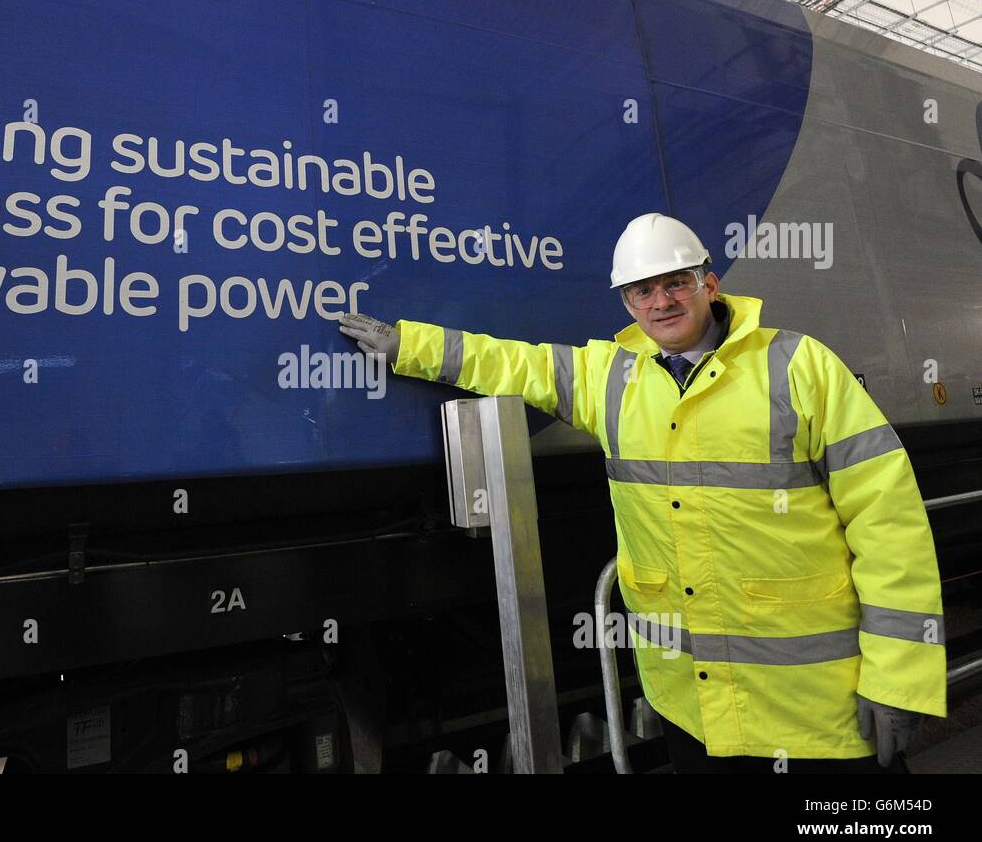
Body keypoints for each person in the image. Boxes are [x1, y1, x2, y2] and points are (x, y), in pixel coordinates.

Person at [336, 212, 946, 773]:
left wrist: (897, 680)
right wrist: (407, 347)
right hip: (693, 710)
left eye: (675, 282)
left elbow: (889, 524)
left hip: (819, 713)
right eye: (642, 290)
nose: (661, 301)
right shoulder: (612, 378)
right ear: (627, 303)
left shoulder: (798, 367)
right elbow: (513, 364)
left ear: (709, 283)